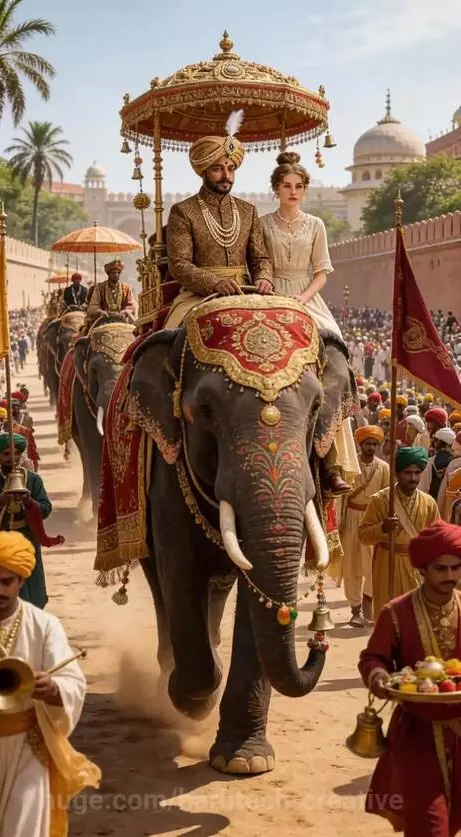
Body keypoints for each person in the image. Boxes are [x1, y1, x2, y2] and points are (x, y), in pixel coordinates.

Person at [0, 530, 101, 837]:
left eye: (6, 582)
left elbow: (73, 680)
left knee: (22, 830)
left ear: (21, 581)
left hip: (27, 748)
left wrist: (55, 690)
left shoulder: (44, 624)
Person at [261, 151, 360, 494]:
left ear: (304, 190)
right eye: (286, 185)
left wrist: (301, 299)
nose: (292, 191)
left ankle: (330, 460)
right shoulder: (262, 224)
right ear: (276, 188)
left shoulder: (316, 225)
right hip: (270, 298)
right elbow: (260, 266)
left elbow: (321, 273)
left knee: (336, 360)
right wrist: (272, 292)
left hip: (308, 300)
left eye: (298, 186)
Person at [359, 519, 461, 837]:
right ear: (422, 570)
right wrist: (378, 677)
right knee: (430, 827)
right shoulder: (396, 613)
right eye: (441, 569)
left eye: (456, 568)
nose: (450, 577)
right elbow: (372, 658)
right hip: (416, 734)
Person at [165, 119, 273, 328]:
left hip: (246, 291)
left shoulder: (247, 211)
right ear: (203, 170)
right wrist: (215, 283)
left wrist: (264, 278)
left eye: (231, 169)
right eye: (217, 169)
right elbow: (179, 265)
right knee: (166, 344)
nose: (227, 176)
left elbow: (260, 257)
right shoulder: (183, 211)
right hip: (197, 296)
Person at [358, 446, 439, 617]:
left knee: (417, 619)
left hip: (417, 568)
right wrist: (382, 528)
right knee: (389, 618)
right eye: (408, 473)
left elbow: (437, 538)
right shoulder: (380, 500)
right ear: (397, 473)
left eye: (417, 473)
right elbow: (363, 535)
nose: (413, 478)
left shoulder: (429, 502)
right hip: (387, 564)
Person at [0, 433, 52, 608]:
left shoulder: (33, 479)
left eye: (16, 454)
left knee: (31, 586)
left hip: (27, 539)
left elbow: (46, 508)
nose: (12, 458)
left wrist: (29, 503)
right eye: (6, 454)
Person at [340, 425, 389, 626]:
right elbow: (341, 497)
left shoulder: (384, 467)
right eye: (367, 443)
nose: (370, 447)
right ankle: (355, 609)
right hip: (351, 517)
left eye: (374, 444)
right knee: (351, 565)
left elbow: (387, 497)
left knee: (372, 564)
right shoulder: (349, 467)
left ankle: (368, 607)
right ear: (359, 445)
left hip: (372, 520)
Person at [418, 427, 455, 501]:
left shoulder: (431, 462)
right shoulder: (455, 461)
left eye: (436, 440)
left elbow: (423, 487)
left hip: (432, 501)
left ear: (441, 442)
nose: (433, 442)